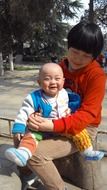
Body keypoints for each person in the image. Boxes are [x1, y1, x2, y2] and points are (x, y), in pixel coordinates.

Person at [24, 21, 106, 190]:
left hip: (83, 128)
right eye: (75, 52)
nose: (78, 59)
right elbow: (42, 94)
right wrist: (34, 114)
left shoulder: (96, 76)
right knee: (22, 139)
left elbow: (88, 115)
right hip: (55, 119)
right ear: (68, 46)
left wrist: (52, 126)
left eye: (86, 56)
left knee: (34, 155)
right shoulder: (59, 67)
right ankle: (31, 174)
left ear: (95, 56)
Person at [5, 62, 103, 168]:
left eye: (57, 79)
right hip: (41, 128)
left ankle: (87, 152)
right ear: (39, 82)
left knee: (80, 133)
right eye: (47, 79)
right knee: (30, 137)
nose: (53, 82)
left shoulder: (64, 94)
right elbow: (24, 112)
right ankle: (23, 154)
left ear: (63, 81)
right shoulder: (34, 97)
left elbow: (74, 103)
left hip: (61, 126)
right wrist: (19, 127)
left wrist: (71, 110)